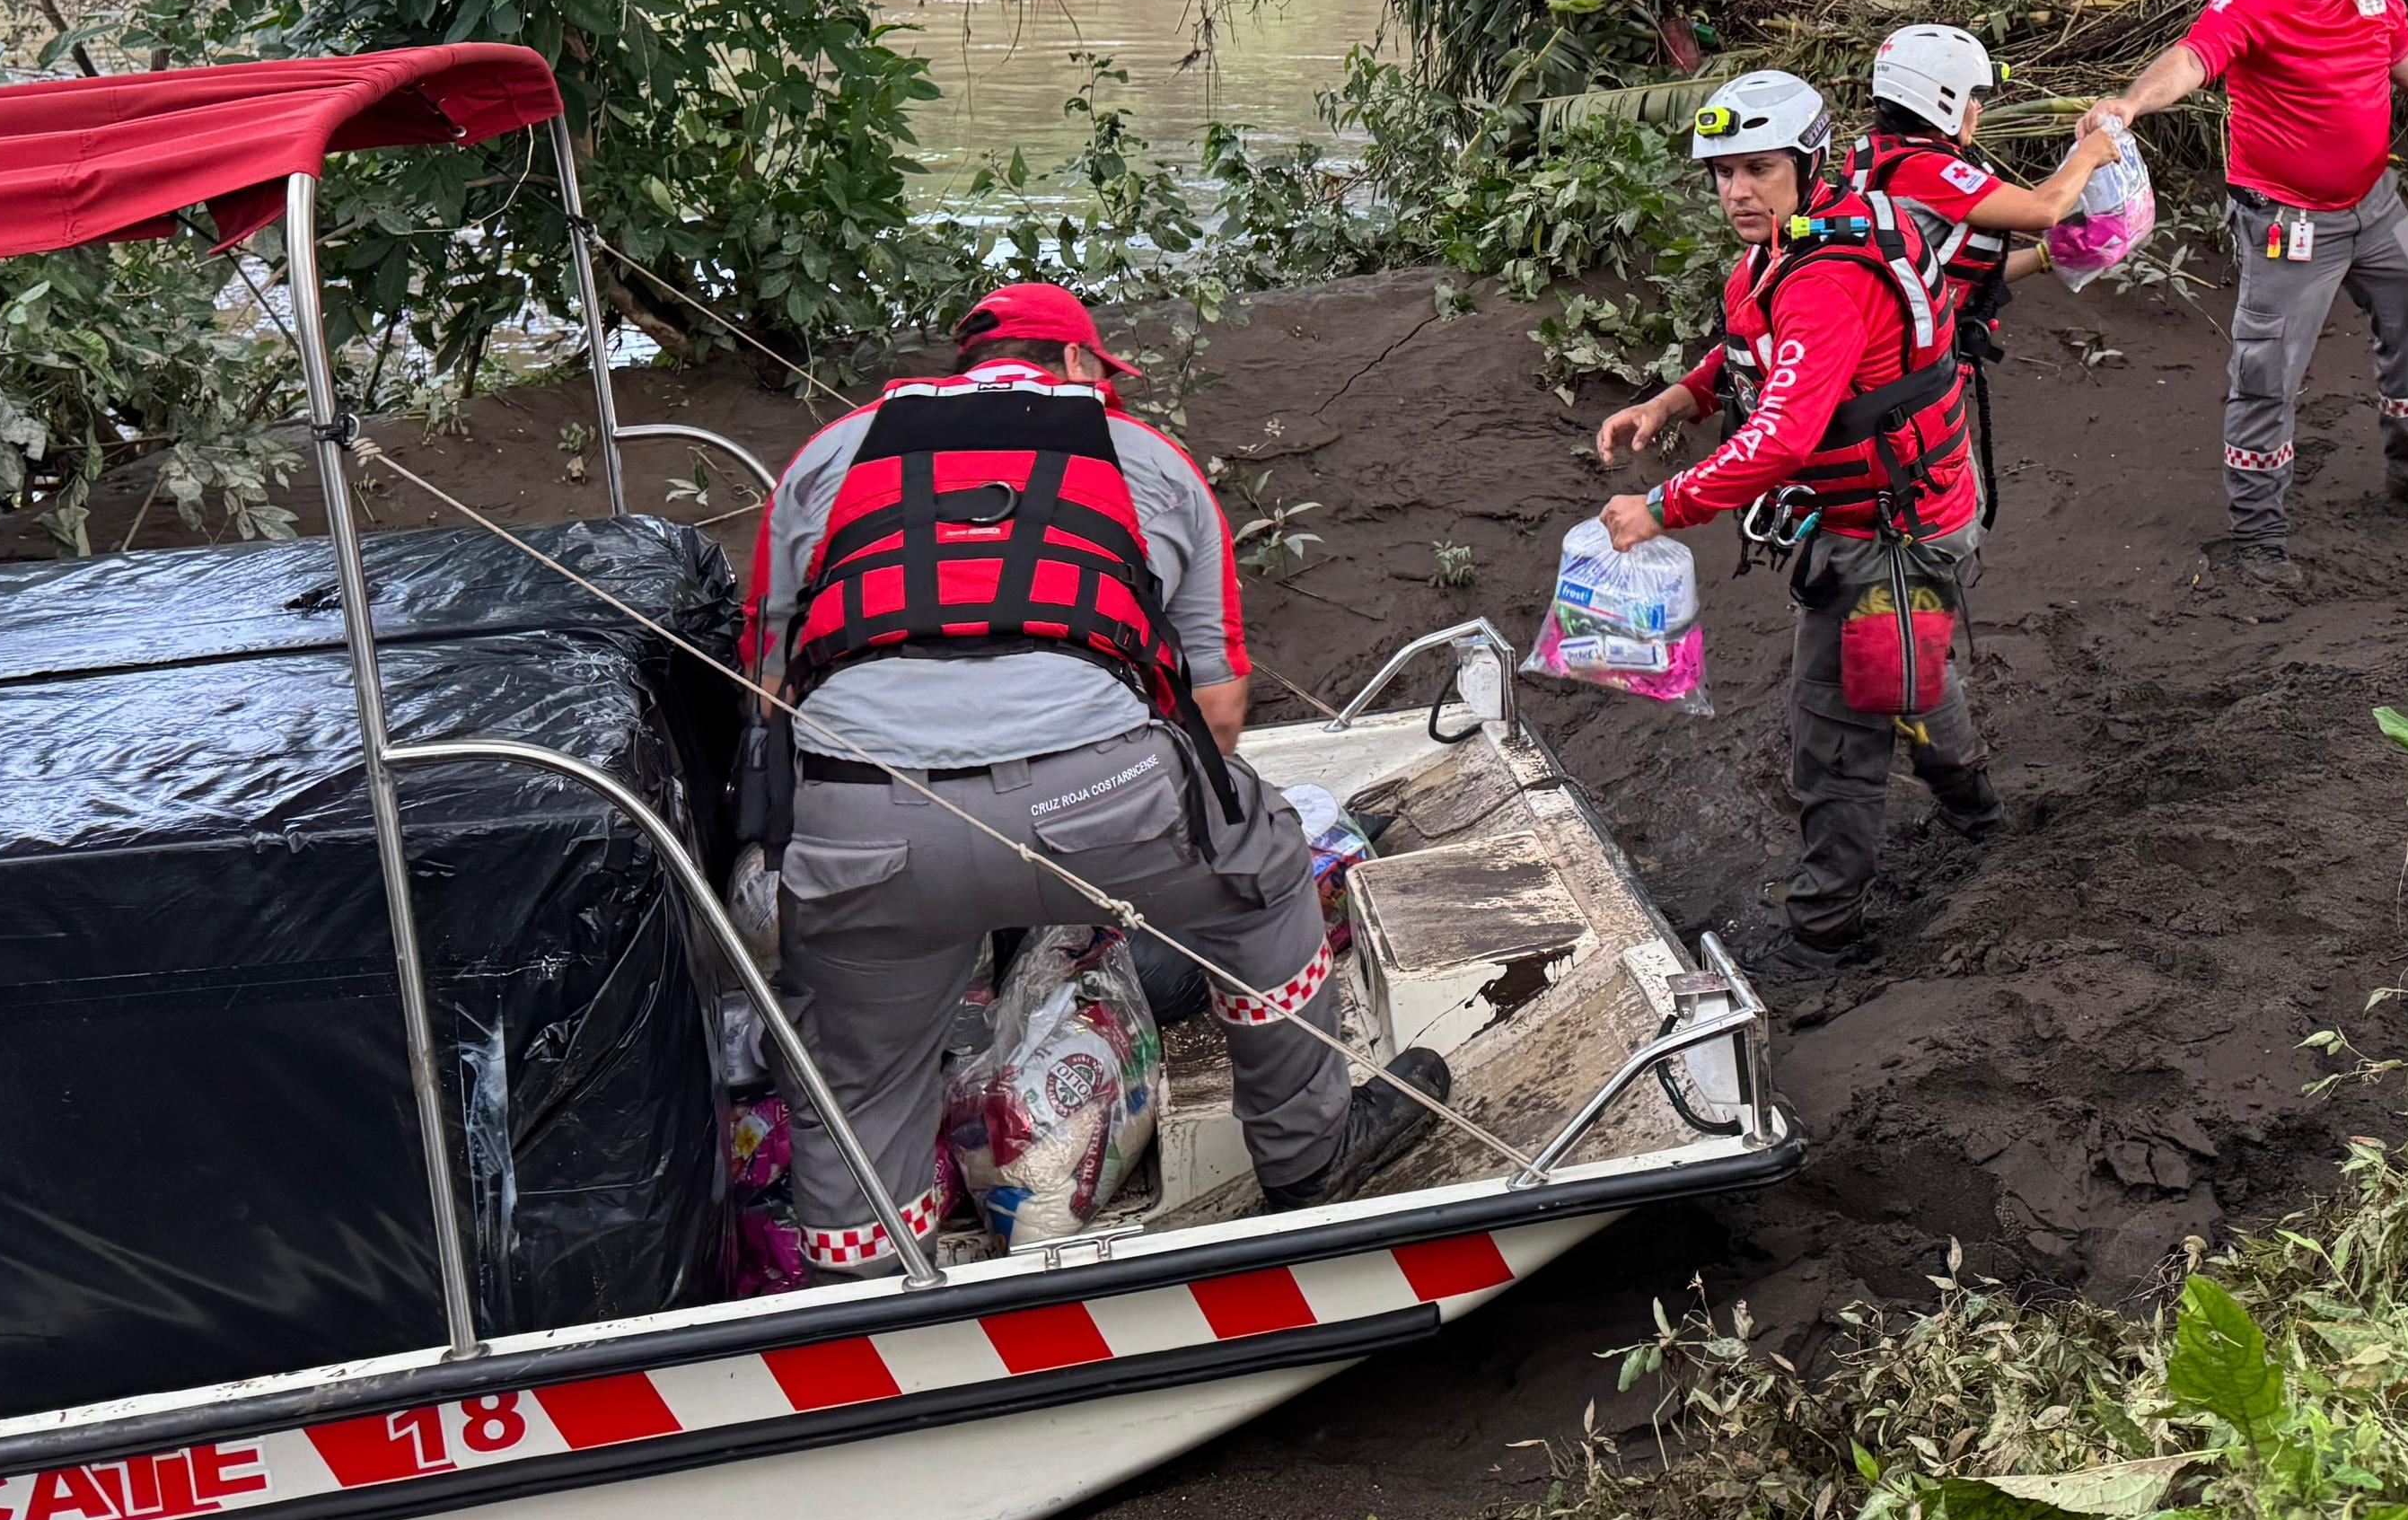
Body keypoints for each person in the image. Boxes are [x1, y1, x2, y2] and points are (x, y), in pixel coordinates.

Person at [744, 281, 1446, 1265]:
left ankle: (861, 1292)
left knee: (858, 1070)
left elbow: (768, 693)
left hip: (861, 822)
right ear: (1079, 367)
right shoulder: (1150, 459)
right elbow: (1217, 713)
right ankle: (1309, 1156)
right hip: (1100, 803)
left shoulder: (824, 457)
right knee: (1267, 871)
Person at [1591, 70, 1996, 959]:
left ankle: (1825, 934)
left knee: (1835, 728)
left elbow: (1779, 437)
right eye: (1722, 174)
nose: (1736, 192)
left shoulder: (1822, 278)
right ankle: (1976, 810)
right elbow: (1753, 344)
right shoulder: (1805, 235)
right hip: (1908, 512)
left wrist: (1660, 506)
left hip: (1891, 535)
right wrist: (1675, 401)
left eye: (1758, 170)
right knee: (1909, 677)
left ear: (1808, 164)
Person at [2085, 0, 2408, 592]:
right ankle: (2258, 532)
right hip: (2288, 218)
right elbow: (2191, 58)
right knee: (2267, 367)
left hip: (2375, 202)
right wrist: (2128, 106)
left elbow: (2397, 55)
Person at [1843, 22, 2119, 520]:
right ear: (1940, 97)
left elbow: (1944, 274)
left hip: (1889, 367)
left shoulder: (1872, 157)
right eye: (1974, 95)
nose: (1980, 107)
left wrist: (2044, 259)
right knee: (1939, 517)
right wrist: (2090, 154)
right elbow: (2044, 209)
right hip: (1908, 383)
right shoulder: (1925, 169)